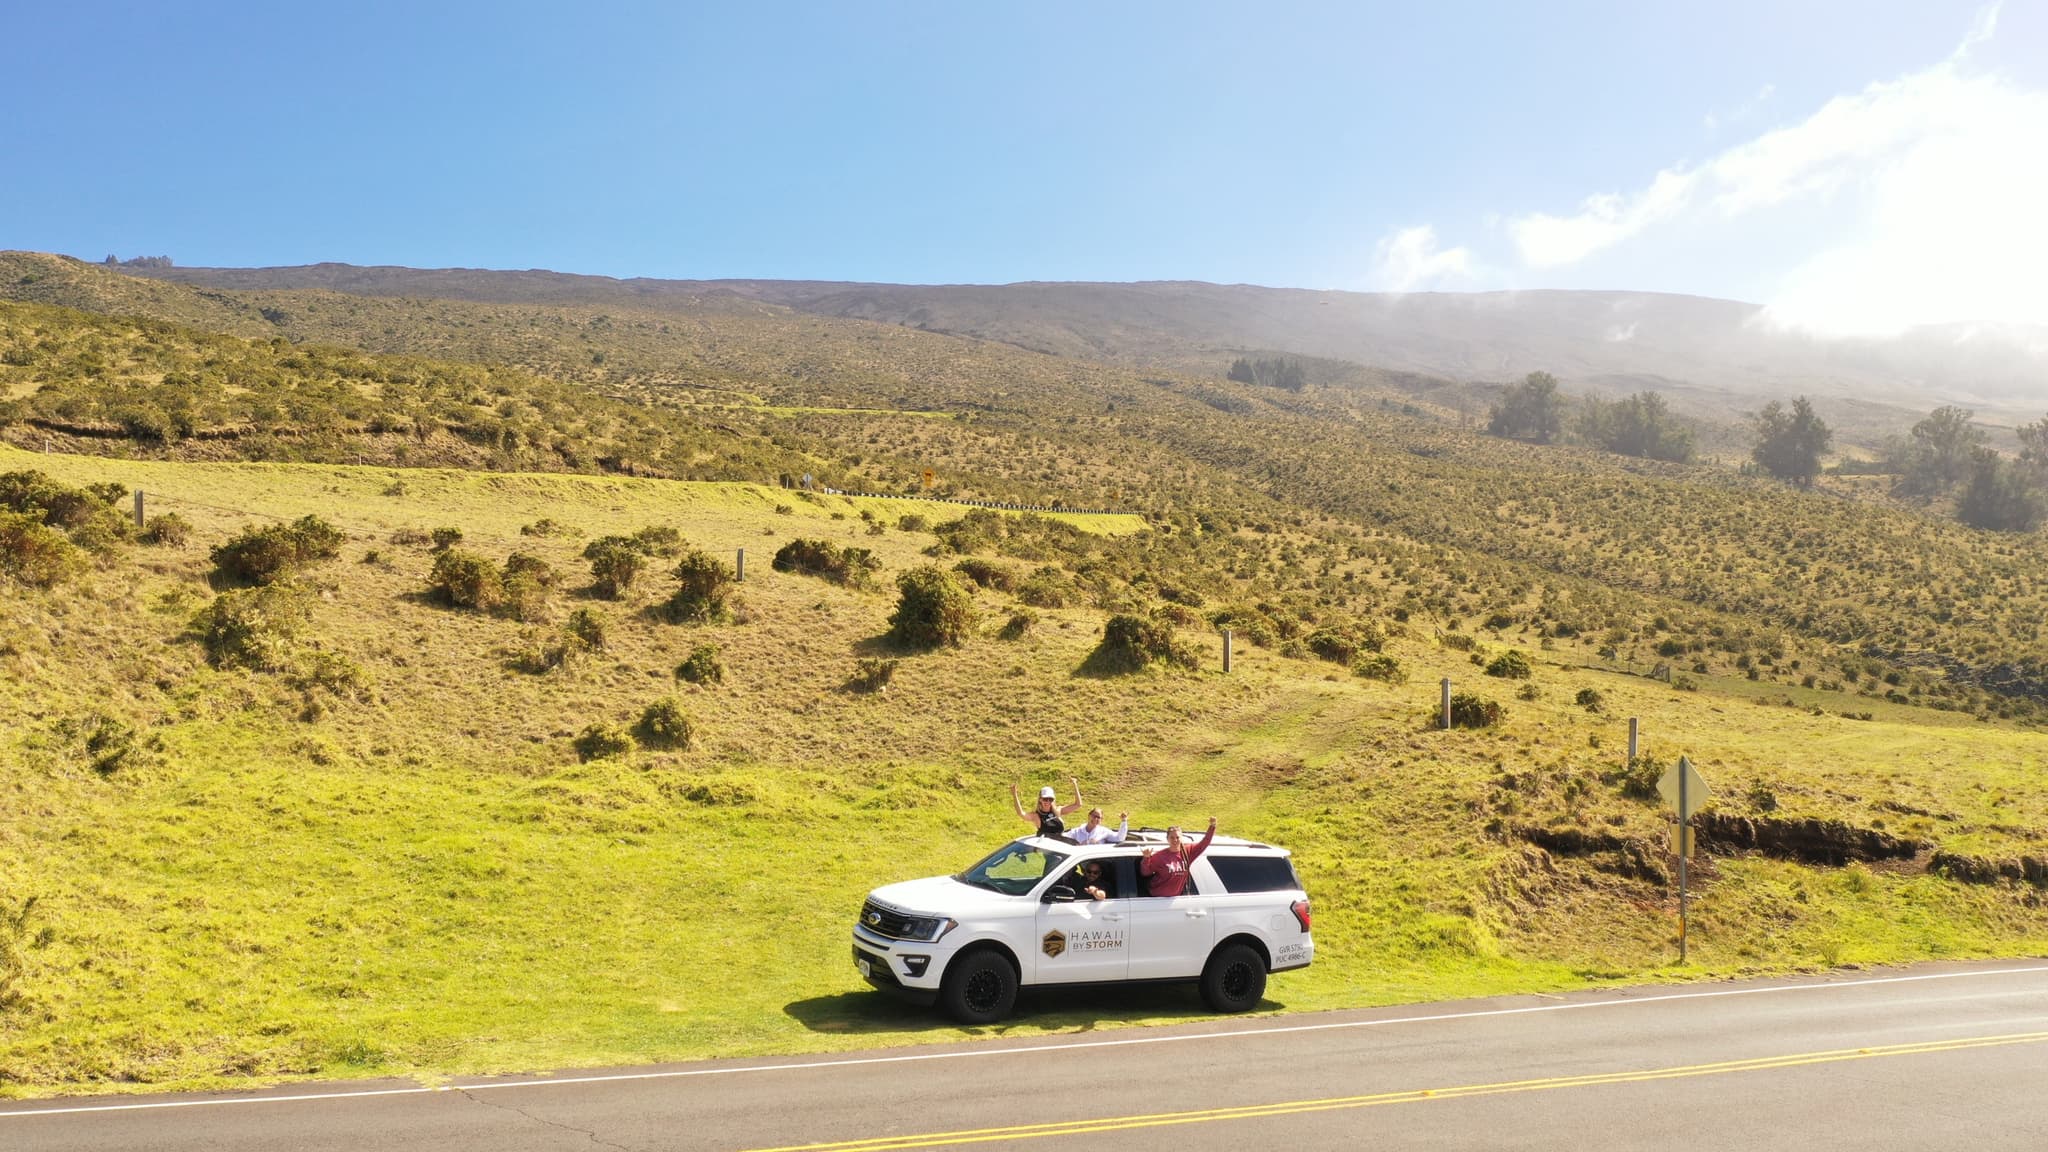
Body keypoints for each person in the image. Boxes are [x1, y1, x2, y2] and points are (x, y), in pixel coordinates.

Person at [1139, 817, 1216, 898]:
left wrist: (1212, 826)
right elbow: (1145, 873)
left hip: (1176, 900)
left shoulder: (1188, 851)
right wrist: (1146, 858)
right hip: (1157, 899)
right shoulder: (1159, 856)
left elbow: (1204, 843)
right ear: (1167, 839)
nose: (1175, 840)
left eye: (1177, 837)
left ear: (1181, 838)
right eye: (1172, 837)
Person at [1011, 777, 1082, 838]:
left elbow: (1078, 804)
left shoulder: (1057, 811)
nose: (1048, 802)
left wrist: (1075, 785)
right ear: (1040, 799)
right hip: (1046, 848)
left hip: (1060, 846)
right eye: (1045, 799)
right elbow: (1021, 813)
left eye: (1050, 799)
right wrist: (1014, 795)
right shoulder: (1036, 816)